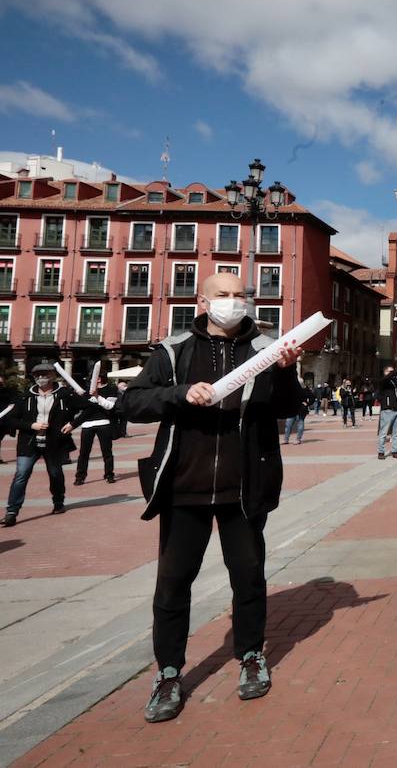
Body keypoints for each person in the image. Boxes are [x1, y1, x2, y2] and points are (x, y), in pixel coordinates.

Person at [120, 270, 302, 722]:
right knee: (173, 583)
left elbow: (290, 408)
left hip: (244, 489)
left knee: (249, 576)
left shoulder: (266, 350)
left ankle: (250, 656)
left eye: (240, 295)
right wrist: (181, 394)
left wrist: (287, 371)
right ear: (203, 300)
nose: (233, 301)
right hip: (185, 487)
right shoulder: (174, 350)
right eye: (223, 294)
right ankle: (167, 672)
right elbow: (133, 404)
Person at [0, 362, 86, 526]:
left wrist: (73, 424)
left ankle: (58, 502)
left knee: (55, 474)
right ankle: (11, 512)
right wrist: (31, 425)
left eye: (44, 374)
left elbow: (89, 407)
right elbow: (10, 419)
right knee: (21, 475)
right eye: (37, 375)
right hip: (29, 443)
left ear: (53, 376)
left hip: (54, 443)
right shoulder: (25, 396)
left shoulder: (65, 395)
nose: (40, 378)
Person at [74, 371, 119, 485]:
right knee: (84, 452)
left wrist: (97, 396)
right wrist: (79, 397)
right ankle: (80, 476)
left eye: (96, 377)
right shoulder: (86, 390)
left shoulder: (111, 389)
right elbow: (81, 407)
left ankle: (109, 474)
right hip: (87, 424)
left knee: (107, 451)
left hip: (103, 423)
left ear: (100, 378)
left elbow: (109, 406)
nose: (93, 379)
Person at [375, 363, 397, 459]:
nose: (392, 373)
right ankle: (381, 452)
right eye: (390, 371)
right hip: (387, 410)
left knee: (396, 432)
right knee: (384, 432)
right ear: (385, 372)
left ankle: (395, 450)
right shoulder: (383, 381)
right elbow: (387, 378)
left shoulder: (394, 382)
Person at [283, 378, 310, 444]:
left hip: (301, 410)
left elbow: (312, 397)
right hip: (292, 409)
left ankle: (298, 439)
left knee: (300, 423)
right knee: (288, 424)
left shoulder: (304, 390)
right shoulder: (291, 389)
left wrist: (307, 403)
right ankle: (286, 439)